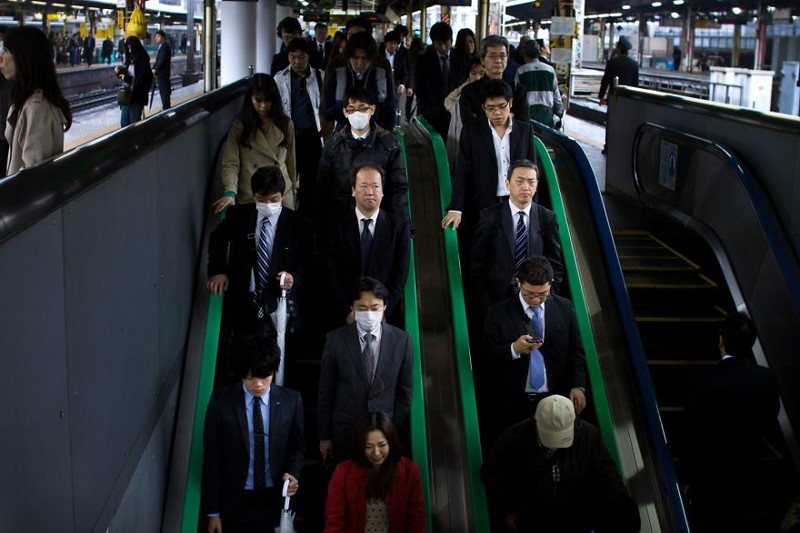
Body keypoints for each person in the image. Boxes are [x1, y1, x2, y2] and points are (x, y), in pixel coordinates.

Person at [481, 395, 640, 533]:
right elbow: (491, 471)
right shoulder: (513, 438)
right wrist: (506, 510)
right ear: (536, 424)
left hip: (573, 514)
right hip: (532, 516)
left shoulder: (588, 435)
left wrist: (621, 503)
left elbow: (607, 473)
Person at [684, 312, 780, 532]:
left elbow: (691, 431)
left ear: (721, 341)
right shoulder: (767, 379)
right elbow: (768, 420)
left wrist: (689, 476)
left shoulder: (700, 380)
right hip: (748, 474)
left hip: (708, 478)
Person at [202, 333, 305, 533]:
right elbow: (212, 457)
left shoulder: (290, 401)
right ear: (241, 373)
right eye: (250, 377)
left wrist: (292, 473)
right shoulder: (221, 401)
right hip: (234, 500)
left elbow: (298, 447)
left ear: (274, 372)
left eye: (265, 377)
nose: (258, 384)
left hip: (274, 498)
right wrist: (213, 512)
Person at [481, 257, 587, 442]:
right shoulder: (498, 313)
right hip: (513, 404)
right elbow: (486, 357)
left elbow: (575, 350)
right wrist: (514, 349)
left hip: (555, 399)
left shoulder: (564, 307)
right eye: (530, 294)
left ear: (551, 284)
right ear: (519, 283)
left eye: (544, 294)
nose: (537, 300)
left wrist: (578, 385)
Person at [207, 165, 312, 343]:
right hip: (243, 301)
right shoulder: (239, 216)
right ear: (254, 195)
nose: (268, 205)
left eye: (274, 199)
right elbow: (217, 239)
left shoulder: (299, 225)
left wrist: (294, 278)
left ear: (282, 195)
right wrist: (218, 271)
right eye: (262, 199)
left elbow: (308, 262)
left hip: (280, 304)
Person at [318, 277, 413, 463]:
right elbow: (326, 391)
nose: (369, 313)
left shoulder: (402, 341)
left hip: (384, 435)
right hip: (346, 433)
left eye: (375, 307)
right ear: (352, 308)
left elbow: (405, 392)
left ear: (384, 307)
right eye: (362, 308)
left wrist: (393, 429)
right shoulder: (335, 340)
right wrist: (324, 436)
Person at [442, 79, 536, 262]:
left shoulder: (524, 130)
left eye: (502, 106)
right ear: (483, 107)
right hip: (483, 205)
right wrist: (456, 207)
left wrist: (533, 208)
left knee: (514, 256)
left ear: (511, 103)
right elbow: (463, 172)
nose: (497, 113)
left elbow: (532, 172)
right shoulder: (471, 131)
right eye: (490, 108)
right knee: (482, 257)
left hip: (515, 204)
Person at [322, 164, 410, 326]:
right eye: (363, 186)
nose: (370, 192)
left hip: (384, 317)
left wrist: (383, 311)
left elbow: (400, 274)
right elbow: (330, 270)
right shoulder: (336, 225)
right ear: (353, 190)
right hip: (344, 316)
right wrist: (347, 310)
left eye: (375, 186)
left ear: (383, 190)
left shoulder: (399, 227)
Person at [471, 160, 563, 310]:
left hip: (535, 299)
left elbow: (555, 263)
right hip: (497, 300)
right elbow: (477, 264)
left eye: (531, 182)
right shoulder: (490, 217)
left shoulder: (547, 218)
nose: (525, 187)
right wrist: (485, 302)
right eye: (519, 181)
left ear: (536, 185)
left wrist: (546, 295)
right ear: (507, 184)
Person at [317, 86, 408, 228]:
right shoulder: (334, 146)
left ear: (372, 110)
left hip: (379, 219)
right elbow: (323, 188)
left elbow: (398, 188)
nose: (357, 113)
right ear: (345, 113)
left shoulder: (389, 144)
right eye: (351, 109)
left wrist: (403, 225)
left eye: (362, 108)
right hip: (342, 221)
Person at [324, 411, 426, 532]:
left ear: (391, 442)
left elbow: (417, 519)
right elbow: (335, 521)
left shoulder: (410, 471)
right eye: (368, 446)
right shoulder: (343, 472)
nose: (376, 452)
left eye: (382, 444)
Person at [215, 73, 297, 212]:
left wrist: (294, 189)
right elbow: (231, 163)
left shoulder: (286, 124)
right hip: (253, 194)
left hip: (280, 193)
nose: (263, 106)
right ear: (250, 99)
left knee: (283, 231)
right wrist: (230, 191)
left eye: (268, 100)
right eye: (258, 100)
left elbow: (291, 161)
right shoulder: (240, 127)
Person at [2, 26, 72, 175]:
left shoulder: (36, 109)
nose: (1, 56)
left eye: (6, 50)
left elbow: (34, 177)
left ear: (24, 56)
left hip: (21, 196)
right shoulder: (25, 100)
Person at [275, 38, 323, 217]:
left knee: (310, 181)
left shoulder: (320, 76)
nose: (296, 62)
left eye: (301, 57)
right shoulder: (280, 78)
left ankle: (307, 219)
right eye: (292, 57)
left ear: (308, 56)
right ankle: (290, 216)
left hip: (313, 138)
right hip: (290, 137)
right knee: (287, 179)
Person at [323, 31, 397, 133]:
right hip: (345, 140)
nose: (360, 63)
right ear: (348, 56)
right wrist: (345, 104)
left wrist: (386, 134)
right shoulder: (337, 77)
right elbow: (327, 114)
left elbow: (391, 111)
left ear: (371, 57)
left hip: (375, 138)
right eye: (355, 58)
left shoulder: (381, 77)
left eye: (365, 58)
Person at [414, 21, 468, 140]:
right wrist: (423, 111)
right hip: (432, 114)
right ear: (433, 43)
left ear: (451, 41)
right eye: (439, 44)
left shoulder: (461, 59)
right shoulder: (424, 61)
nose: (443, 47)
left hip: (456, 113)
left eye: (446, 43)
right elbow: (420, 89)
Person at [459, 35, 529, 125]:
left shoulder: (518, 90)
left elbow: (523, 124)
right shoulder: (469, 91)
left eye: (502, 55)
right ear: (482, 60)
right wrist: (509, 116)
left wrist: (482, 118)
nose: (498, 60)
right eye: (492, 56)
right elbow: (469, 125)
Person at [514, 39, 564, 127]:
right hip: (547, 115)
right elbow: (556, 95)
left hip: (527, 114)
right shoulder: (550, 70)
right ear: (539, 52)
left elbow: (516, 94)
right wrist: (559, 113)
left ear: (524, 53)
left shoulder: (521, 71)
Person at [114, 36, 153, 127]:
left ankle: (135, 141)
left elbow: (143, 79)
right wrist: (119, 72)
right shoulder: (131, 59)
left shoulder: (143, 60)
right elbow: (129, 73)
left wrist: (126, 78)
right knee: (124, 122)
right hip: (128, 96)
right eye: (128, 48)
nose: (129, 50)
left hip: (137, 96)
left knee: (134, 122)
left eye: (131, 47)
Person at [382, 31, 411, 126]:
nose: (392, 46)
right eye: (390, 43)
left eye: (395, 43)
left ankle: (395, 127)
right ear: (385, 43)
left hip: (395, 87)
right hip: (381, 86)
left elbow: (405, 72)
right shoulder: (379, 55)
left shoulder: (400, 55)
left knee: (394, 108)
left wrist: (402, 84)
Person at [598, 36, 638, 105]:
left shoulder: (612, 62)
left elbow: (605, 81)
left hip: (614, 98)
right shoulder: (634, 64)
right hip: (628, 99)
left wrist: (601, 96)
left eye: (616, 46)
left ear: (620, 48)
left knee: (613, 115)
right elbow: (635, 84)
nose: (615, 48)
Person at [152, 30, 172, 110]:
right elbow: (158, 60)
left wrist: (155, 69)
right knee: (163, 90)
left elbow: (162, 60)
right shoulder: (162, 46)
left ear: (163, 37)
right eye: (155, 37)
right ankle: (166, 106)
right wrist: (153, 68)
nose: (156, 38)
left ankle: (166, 107)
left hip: (163, 73)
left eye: (158, 36)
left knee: (164, 90)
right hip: (162, 73)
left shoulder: (164, 47)